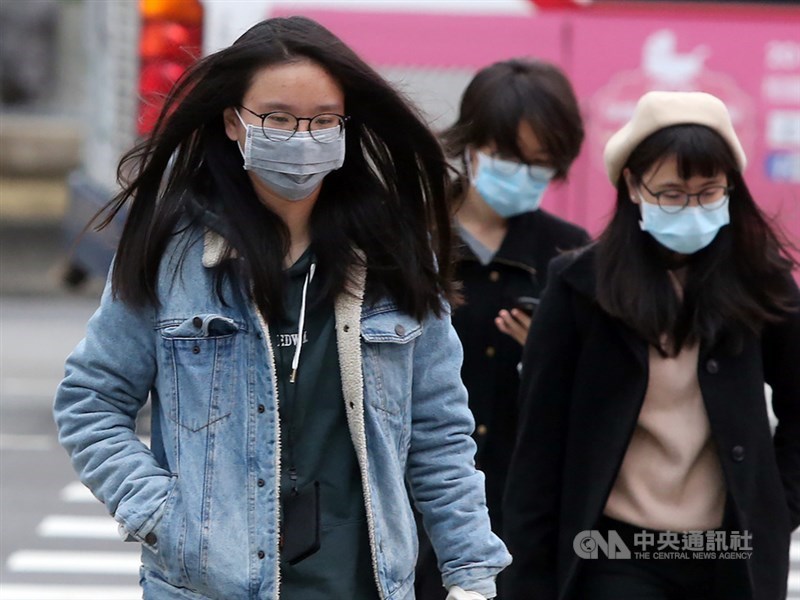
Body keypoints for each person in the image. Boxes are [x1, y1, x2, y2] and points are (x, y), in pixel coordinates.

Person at [53, 16, 510, 600]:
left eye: (323, 121)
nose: (301, 137)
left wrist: (471, 573)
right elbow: (90, 401)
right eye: (277, 118)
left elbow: (440, 434)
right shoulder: (171, 251)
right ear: (233, 123)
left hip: (362, 585)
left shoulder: (396, 256)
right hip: (207, 588)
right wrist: (164, 516)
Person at [503, 90, 800, 600]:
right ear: (633, 187)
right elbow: (539, 443)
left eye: (709, 192)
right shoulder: (581, 286)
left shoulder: (759, 283)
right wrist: (526, 578)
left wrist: (775, 504)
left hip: (730, 553)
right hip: (614, 551)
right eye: (671, 192)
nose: (691, 207)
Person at [414, 59, 590, 599]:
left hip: (524, 511)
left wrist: (546, 355)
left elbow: (601, 394)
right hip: (417, 505)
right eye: (509, 157)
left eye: (540, 164)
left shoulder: (568, 251)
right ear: (469, 145)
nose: (523, 174)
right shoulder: (414, 237)